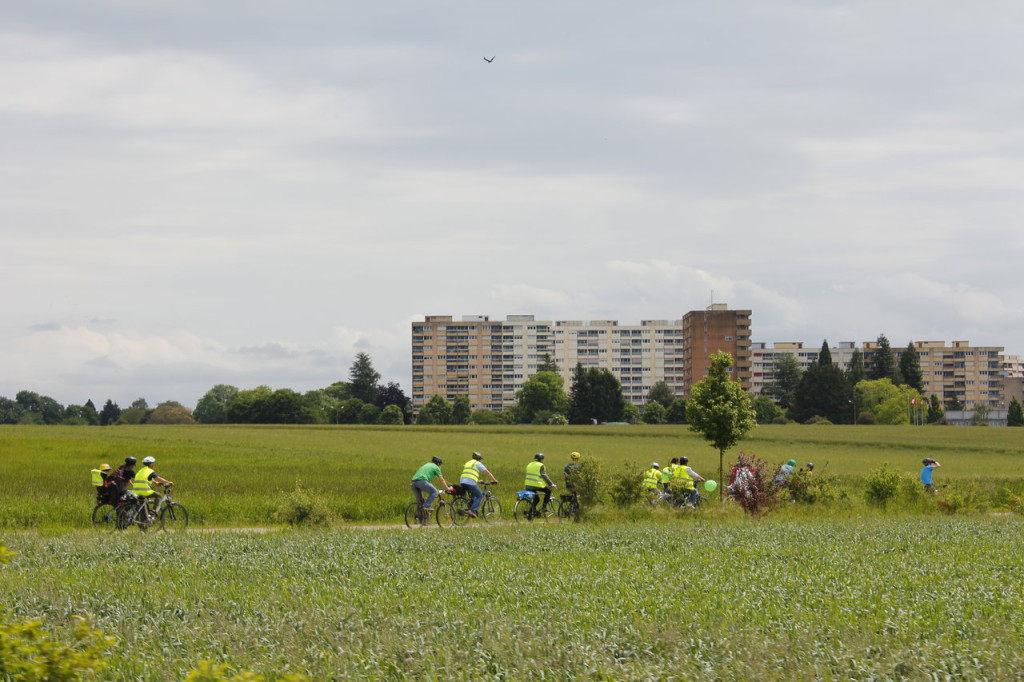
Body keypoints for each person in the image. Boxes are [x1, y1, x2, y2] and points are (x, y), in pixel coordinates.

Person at [460, 452, 498, 518]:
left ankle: (470, 506)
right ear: (479, 459)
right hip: (470, 482)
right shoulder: (477, 463)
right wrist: (494, 480)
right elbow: (487, 473)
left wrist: (477, 480)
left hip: (462, 481)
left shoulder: (468, 462)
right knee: (479, 496)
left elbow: (469, 473)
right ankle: (472, 510)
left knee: (473, 496)